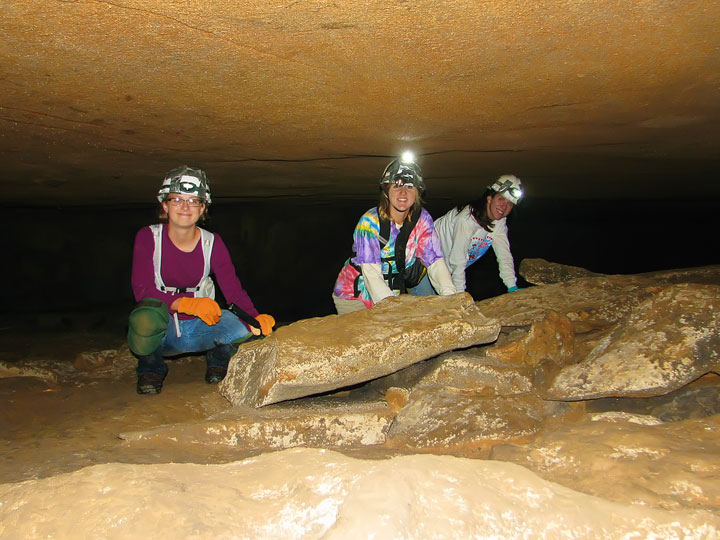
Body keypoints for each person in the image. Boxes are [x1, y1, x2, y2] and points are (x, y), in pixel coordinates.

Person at [127, 165, 275, 395]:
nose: (185, 207)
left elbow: (233, 291)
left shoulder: (212, 242)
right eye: (177, 199)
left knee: (248, 328)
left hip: (202, 325)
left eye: (193, 201)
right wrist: (184, 303)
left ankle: (218, 359)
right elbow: (142, 289)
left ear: (203, 207)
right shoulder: (148, 237)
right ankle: (151, 368)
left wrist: (255, 317)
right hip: (164, 327)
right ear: (165, 205)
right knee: (144, 317)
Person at [332, 153, 456, 314]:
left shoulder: (423, 219)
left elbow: (435, 262)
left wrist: (451, 299)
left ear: (418, 192)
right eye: (397, 185)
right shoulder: (370, 222)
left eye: (410, 186)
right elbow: (371, 274)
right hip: (355, 297)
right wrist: (394, 310)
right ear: (386, 190)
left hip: (391, 293)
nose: (403, 192)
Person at [432, 174, 523, 295]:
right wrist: (460, 294)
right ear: (489, 198)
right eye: (501, 199)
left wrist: (512, 286)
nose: (504, 206)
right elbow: (458, 260)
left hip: (447, 269)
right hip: (426, 260)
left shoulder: (499, 223)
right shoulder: (467, 219)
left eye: (510, 204)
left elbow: (504, 255)